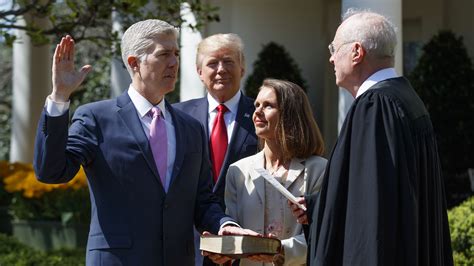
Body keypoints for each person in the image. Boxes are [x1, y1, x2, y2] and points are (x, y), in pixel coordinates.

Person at [33, 19, 256, 266]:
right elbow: (51, 171)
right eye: (163, 54)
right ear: (134, 63)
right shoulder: (96, 118)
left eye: (176, 54)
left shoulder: (191, 128)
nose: (174, 62)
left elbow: (202, 200)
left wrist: (224, 224)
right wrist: (60, 98)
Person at [289, 10, 454, 266]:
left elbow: (371, 213)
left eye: (335, 48)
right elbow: (385, 193)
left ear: (356, 52)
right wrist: (318, 207)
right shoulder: (405, 97)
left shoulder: (375, 107)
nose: (331, 58)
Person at [221, 79, 327, 265]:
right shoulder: (238, 171)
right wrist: (221, 248)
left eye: (268, 106)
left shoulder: (319, 170)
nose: (257, 113)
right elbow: (235, 234)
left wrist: (279, 250)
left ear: (290, 115)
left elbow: (324, 235)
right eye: (257, 105)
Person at [174, 33, 257, 208]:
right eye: (212, 63)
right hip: (192, 227)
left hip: (246, 224)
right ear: (200, 73)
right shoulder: (178, 116)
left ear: (242, 69)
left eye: (228, 61)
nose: (221, 69)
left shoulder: (261, 114)